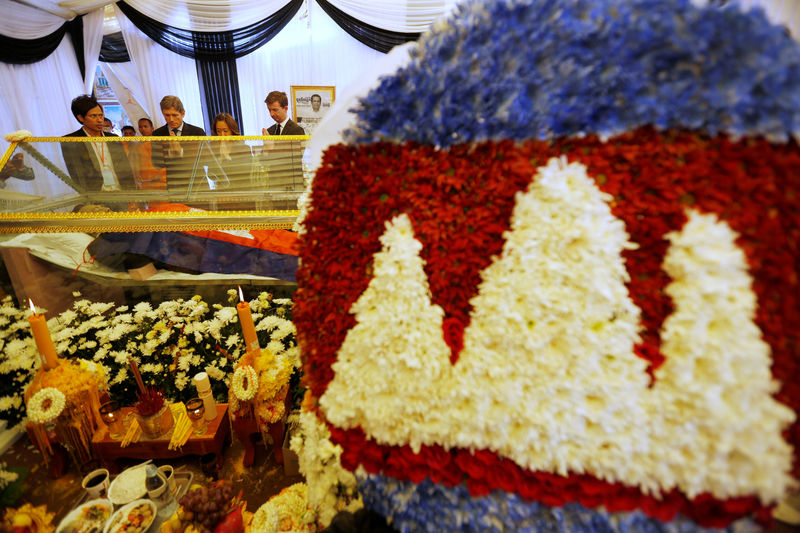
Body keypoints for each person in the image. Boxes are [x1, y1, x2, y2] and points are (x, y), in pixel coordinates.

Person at [61, 94, 135, 192]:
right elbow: (77, 176)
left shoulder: (113, 139)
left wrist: (132, 194)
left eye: (101, 115)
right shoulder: (71, 141)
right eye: (93, 116)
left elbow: (126, 170)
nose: (99, 120)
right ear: (80, 118)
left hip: (121, 193)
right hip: (95, 197)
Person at [151, 95, 206, 191]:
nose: (171, 119)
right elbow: (156, 164)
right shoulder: (157, 134)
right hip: (174, 185)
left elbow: (204, 160)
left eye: (175, 115)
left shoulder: (197, 132)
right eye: (167, 115)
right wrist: (170, 153)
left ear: (183, 113)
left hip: (196, 184)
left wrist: (180, 152)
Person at [207, 113, 253, 191]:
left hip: (241, 191)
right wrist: (221, 159)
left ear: (232, 130)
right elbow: (211, 175)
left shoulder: (244, 148)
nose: (222, 135)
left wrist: (227, 157)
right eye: (218, 131)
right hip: (222, 192)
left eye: (225, 131)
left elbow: (246, 173)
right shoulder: (213, 147)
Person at [134, 117, 166, 190]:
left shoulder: (159, 142)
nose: (143, 129)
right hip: (145, 179)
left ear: (152, 128)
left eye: (145, 126)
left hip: (159, 178)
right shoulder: (137, 144)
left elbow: (163, 161)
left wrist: (160, 174)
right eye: (140, 127)